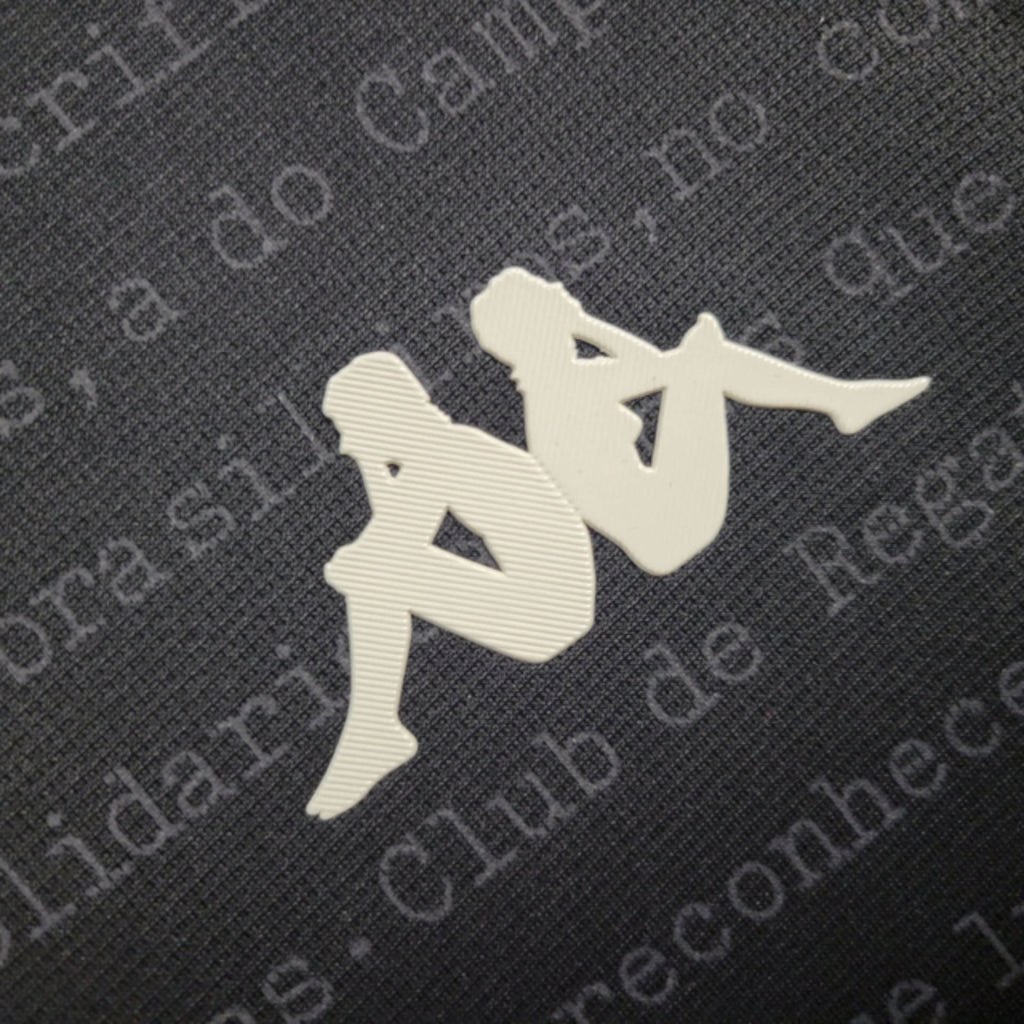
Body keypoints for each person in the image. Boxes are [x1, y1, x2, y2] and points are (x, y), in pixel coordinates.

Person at [470, 267, 931, 575]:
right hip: (670, 522)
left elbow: (651, 364)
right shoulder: (565, 391)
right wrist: (585, 323)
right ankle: (843, 401)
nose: (560, 290)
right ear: (539, 323)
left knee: (701, 359)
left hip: (661, 527)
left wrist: (584, 323)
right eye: (549, 295)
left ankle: (843, 400)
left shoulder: (554, 390)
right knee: (705, 361)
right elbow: (658, 369)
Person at [306, 352, 595, 820]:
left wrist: (359, 563)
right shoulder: (445, 447)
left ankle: (375, 727)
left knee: (374, 571)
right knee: (374, 568)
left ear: (382, 415)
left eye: (349, 427)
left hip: (546, 615)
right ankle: (374, 726)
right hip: (552, 605)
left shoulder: (445, 454)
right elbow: (394, 527)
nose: (343, 445)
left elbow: (388, 545)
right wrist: (371, 462)